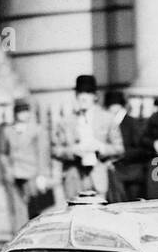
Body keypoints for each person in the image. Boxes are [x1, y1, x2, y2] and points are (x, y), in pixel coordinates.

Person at [51, 74, 123, 204]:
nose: (83, 97)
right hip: (74, 178)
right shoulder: (66, 121)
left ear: (95, 96)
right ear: (76, 96)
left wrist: (100, 147)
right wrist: (73, 150)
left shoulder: (107, 118)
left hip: (98, 177)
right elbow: (55, 150)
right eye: (80, 93)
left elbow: (119, 149)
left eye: (88, 93)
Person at [0, 100, 54, 221]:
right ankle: (18, 237)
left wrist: (42, 175)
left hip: (32, 174)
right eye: (20, 111)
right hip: (14, 174)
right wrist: (8, 169)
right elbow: (3, 153)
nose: (23, 114)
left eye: (26, 111)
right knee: (17, 210)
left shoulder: (36, 130)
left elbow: (42, 153)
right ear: (15, 113)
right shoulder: (8, 131)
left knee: (35, 210)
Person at [106, 90, 151, 199]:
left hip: (132, 174)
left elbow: (143, 150)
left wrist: (120, 155)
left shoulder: (132, 123)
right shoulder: (110, 122)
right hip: (118, 174)